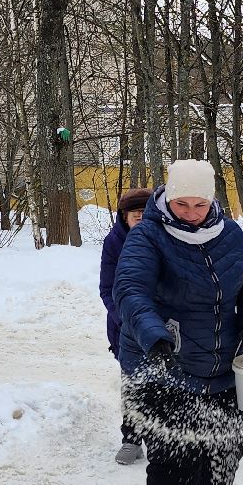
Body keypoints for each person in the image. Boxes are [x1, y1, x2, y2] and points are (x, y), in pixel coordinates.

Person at [115, 160, 243, 485]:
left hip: (222, 361)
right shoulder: (149, 235)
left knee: (229, 444)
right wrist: (153, 335)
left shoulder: (229, 233)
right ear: (169, 197)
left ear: (211, 200)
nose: (188, 212)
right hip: (164, 362)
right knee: (174, 463)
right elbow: (130, 290)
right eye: (181, 202)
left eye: (198, 203)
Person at [99, 187, 152, 466]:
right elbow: (107, 290)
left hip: (161, 326)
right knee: (133, 384)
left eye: (147, 214)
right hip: (125, 329)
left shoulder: (163, 239)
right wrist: (129, 322)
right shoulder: (114, 242)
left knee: (163, 385)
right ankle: (131, 439)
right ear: (125, 216)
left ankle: (159, 437)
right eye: (136, 215)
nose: (141, 219)